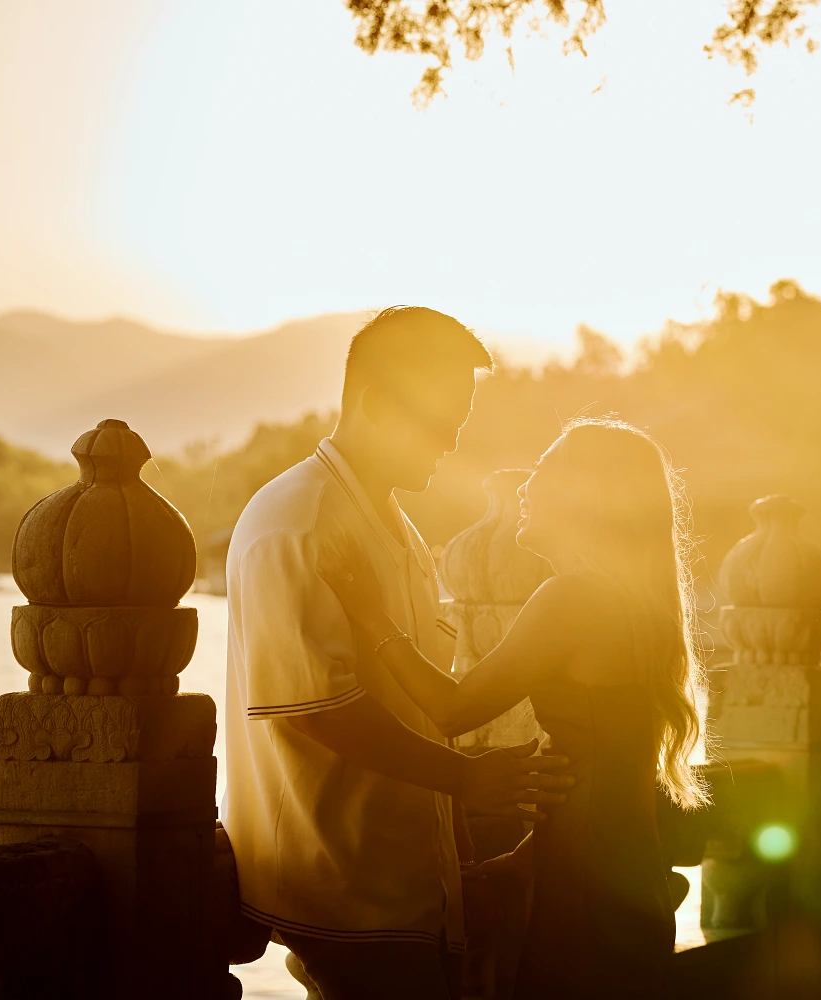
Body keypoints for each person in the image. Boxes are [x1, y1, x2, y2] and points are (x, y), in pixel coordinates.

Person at [221, 306, 574, 1000]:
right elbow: (316, 710)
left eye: (460, 422)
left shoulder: (392, 524)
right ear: (376, 402)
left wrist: (457, 843)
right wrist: (465, 778)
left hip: (408, 885)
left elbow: (414, 701)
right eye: (441, 421)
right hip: (344, 887)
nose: (451, 441)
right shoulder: (299, 521)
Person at [320, 415, 710, 1000]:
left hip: (586, 894)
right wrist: (531, 856)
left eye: (545, 472)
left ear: (587, 496)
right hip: (624, 878)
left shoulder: (574, 597)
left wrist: (373, 615)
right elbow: (613, 767)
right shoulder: (631, 604)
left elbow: (452, 709)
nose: (525, 488)